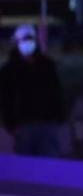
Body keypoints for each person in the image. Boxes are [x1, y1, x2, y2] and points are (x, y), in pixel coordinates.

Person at [0, 24, 66, 157]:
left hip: (48, 123)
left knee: (49, 164)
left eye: (30, 39)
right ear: (16, 42)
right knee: (26, 165)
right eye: (23, 39)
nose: (27, 43)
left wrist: (59, 116)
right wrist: (10, 124)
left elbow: (56, 92)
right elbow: (6, 99)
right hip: (23, 125)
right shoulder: (9, 70)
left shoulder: (47, 65)